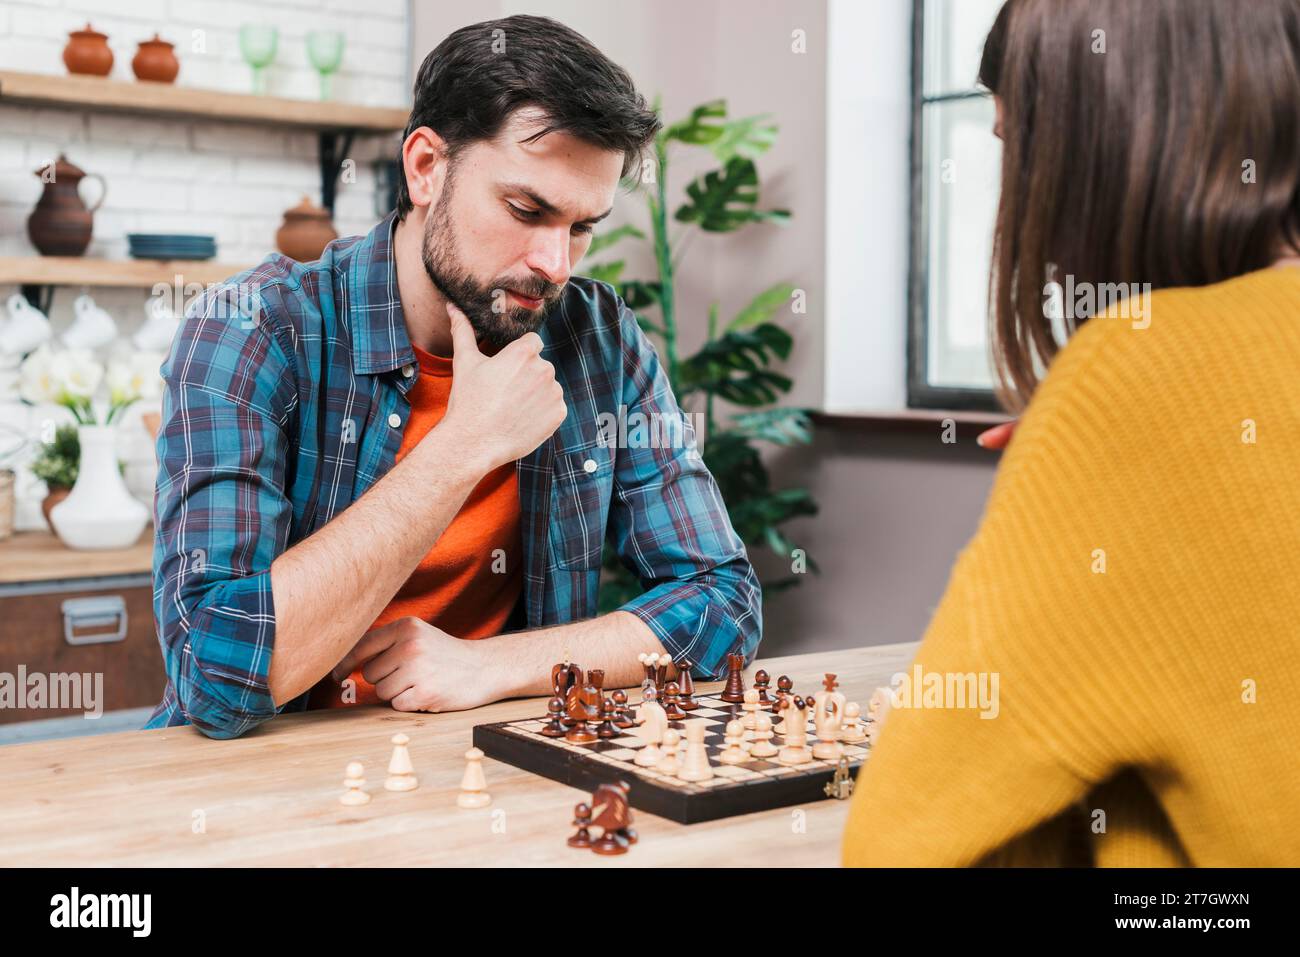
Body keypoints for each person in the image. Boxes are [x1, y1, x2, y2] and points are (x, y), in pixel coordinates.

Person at [145, 15, 760, 740]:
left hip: (494, 772)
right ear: (426, 168)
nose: (555, 265)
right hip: (267, 781)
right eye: (527, 209)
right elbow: (214, 670)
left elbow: (724, 603)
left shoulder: (598, 338)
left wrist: (492, 665)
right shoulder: (251, 329)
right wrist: (464, 444)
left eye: (582, 226)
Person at [844, 0, 1300, 866]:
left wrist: (1109, 434)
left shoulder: (1140, 377)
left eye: (1017, 148)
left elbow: (899, 846)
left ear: (1097, 146)